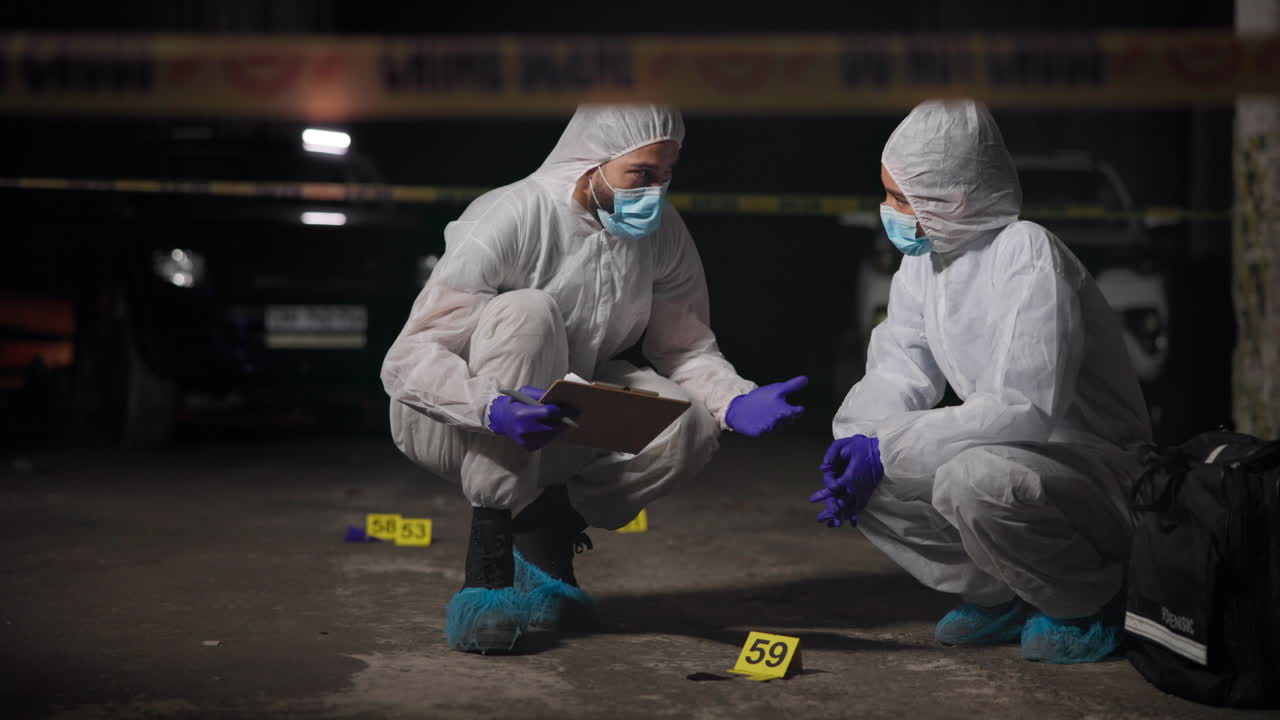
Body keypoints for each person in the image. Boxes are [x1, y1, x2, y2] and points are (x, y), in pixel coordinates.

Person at [382, 104, 807, 654]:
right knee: (528, 313)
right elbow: (408, 357)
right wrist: (492, 408)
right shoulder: (511, 215)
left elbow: (684, 347)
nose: (657, 190)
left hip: (559, 417)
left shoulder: (661, 233)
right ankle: (486, 573)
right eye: (643, 174)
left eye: (667, 174)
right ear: (592, 162)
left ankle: (544, 529)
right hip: (455, 419)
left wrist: (736, 400)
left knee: (690, 424)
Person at [811, 100, 1152, 664]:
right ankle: (1005, 595)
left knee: (974, 476)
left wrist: (889, 448)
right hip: (1016, 460)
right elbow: (900, 366)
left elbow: (1023, 408)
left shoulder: (1026, 253)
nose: (888, 211)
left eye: (901, 198)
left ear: (956, 197)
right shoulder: (925, 264)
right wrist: (859, 439)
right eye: (888, 193)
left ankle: (1089, 598)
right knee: (872, 476)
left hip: (1095, 471)